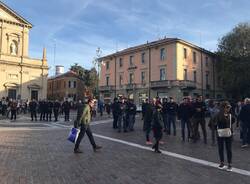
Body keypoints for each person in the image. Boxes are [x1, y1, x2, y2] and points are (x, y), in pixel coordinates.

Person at [214, 101, 234, 171]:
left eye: (229, 107)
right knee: (221, 148)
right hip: (220, 134)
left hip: (228, 134)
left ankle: (230, 164)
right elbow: (212, 123)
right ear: (223, 108)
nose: (228, 109)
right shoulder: (217, 115)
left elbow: (232, 122)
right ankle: (222, 162)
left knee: (229, 149)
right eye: (227, 107)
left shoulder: (231, 115)